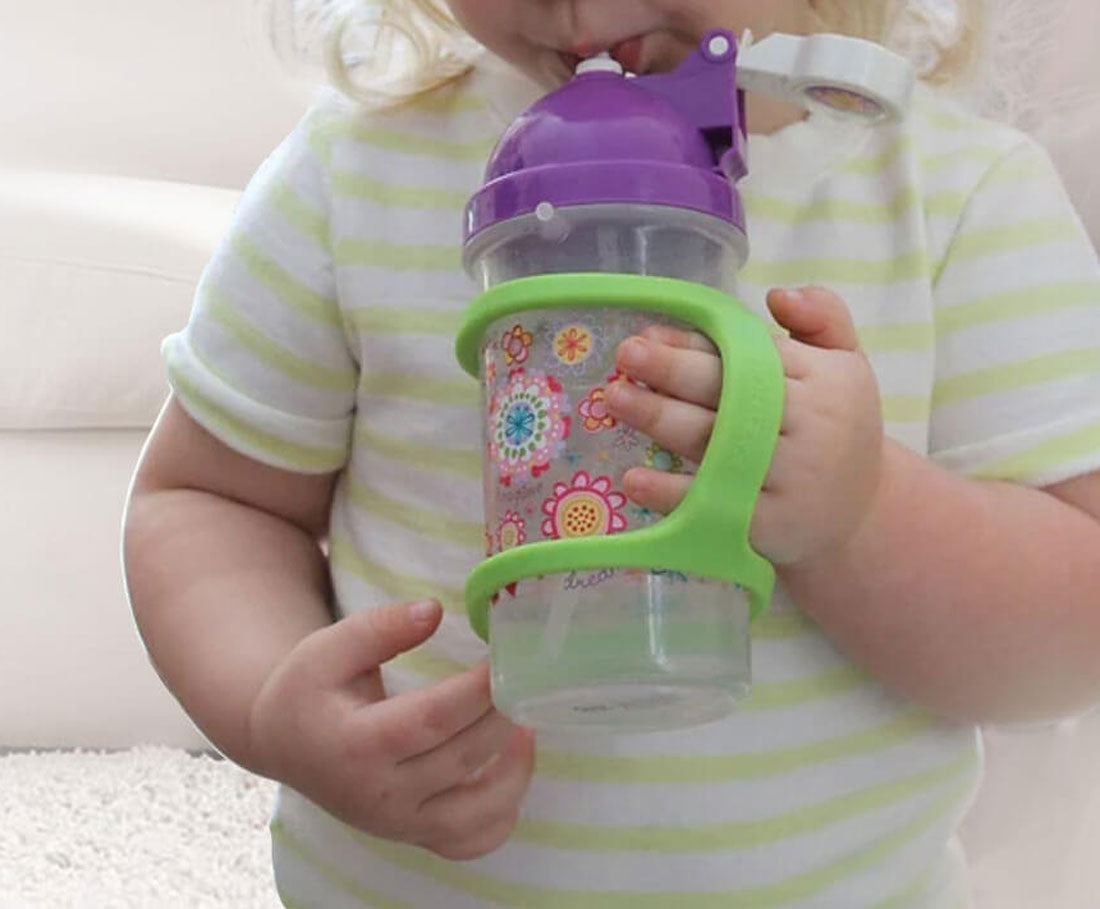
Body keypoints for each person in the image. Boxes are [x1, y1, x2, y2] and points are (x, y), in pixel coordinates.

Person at [122, 0, 1100, 905]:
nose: (579, 9)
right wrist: (266, 705)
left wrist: (867, 510)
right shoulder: (353, 169)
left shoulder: (954, 194)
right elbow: (209, 500)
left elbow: (1070, 638)